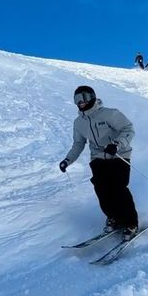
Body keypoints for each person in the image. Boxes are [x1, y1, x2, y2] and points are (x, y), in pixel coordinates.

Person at [59, 85, 139, 240]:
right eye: (77, 99)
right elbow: (78, 144)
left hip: (119, 155)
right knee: (102, 190)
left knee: (118, 188)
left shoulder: (110, 114)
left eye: (83, 98)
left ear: (92, 97)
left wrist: (117, 144)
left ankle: (131, 223)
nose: (80, 102)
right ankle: (114, 217)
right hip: (97, 158)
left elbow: (128, 129)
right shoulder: (78, 123)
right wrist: (67, 160)